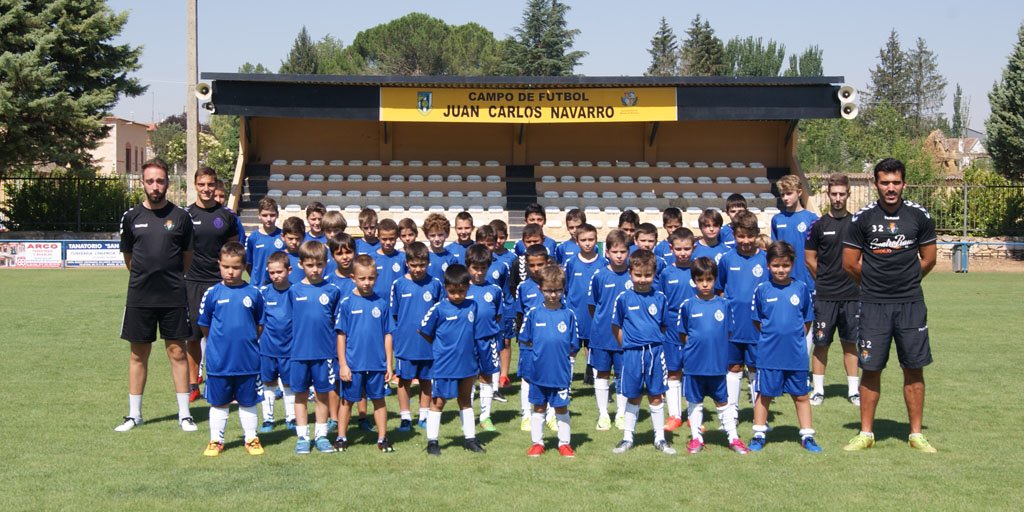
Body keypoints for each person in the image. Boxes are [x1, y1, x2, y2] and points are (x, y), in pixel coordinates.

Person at [842, 157, 938, 453]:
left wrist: (906, 281)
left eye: (896, 182)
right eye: (885, 182)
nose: (891, 188)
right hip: (873, 305)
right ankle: (866, 433)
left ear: (904, 184)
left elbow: (929, 258)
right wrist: (875, 285)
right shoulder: (862, 219)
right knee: (870, 368)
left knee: (914, 367)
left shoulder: (919, 217)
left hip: (910, 304)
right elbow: (850, 263)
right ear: (876, 184)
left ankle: (916, 434)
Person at [115, 158, 197, 433]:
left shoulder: (182, 217)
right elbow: (129, 258)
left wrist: (168, 278)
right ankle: (134, 414)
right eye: (150, 181)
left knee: (177, 352)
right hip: (140, 296)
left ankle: (185, 414)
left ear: (167, 183)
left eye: (160, 180)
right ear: (142, 183)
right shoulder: (131, 218)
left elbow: (186, 258)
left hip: (174, 295)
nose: (155, 186)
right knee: (138, 354)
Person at [749, 241, 820, 453]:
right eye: (776, 265)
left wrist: (794, 338)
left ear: (792, 265)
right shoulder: (762, 290)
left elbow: (806, 322)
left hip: (796, 354)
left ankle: (807, 435)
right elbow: (757, 320)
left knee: (801, 395)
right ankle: (759, 433)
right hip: (769, 354)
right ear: (768, 265)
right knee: (765, 394)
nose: (781, 270)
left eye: (786, 265)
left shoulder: (801, 288)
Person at [198, 242, 266, 456]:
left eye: (235, 267)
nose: (230, 271)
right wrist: (219, 344)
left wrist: (246, 341)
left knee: (248, 401)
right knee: (219, 403)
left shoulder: (254, 293)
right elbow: (204, 325)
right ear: (219, 265)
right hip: (220, 361)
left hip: (247, 361)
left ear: (243, 266)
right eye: (226, 266)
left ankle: (251, 438)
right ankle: (216, 440)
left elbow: (260, 325)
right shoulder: (212, 293)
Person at [677, 256, 749, 455]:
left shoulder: (724, 305)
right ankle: (696, 439)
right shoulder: (688, 305)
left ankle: (733, 437)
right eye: (700, 280)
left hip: (717, 365)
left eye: (709, 280)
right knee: (694, 402)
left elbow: (727, 332)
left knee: (723, 402)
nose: (705, 284)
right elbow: (683, 335)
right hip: (694, 366)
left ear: (716, 279)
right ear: (694, 281)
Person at [610, 250, 676, 455]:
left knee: (656, 395)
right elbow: (616, 326)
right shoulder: (623, 298)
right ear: (630, 273)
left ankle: (660, 438)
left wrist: (652, 341)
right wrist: (629, 344)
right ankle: (628, 438)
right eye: (638, 275)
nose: (642, 279)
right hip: (631, 354)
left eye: (647, 275)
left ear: (654, 274)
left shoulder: (660, 298)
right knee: (633, 396)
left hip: (655, 353)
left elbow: (664, 326)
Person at [185, 167, 240, 402]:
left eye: (210, 184)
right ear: (195, 185)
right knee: (193, 335)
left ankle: (226, 382)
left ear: (215, 185)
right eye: (201, 184)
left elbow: (233, 250)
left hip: (220, 284)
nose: (206, 189)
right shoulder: (185, 215)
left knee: (224, 335)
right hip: (193, 282)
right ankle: (193, 384)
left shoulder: (226, 216)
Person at [805, 173, 861, 406]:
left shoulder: (858, 224)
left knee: (851, 343)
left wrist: (855, 280)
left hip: (852, 295)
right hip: (825, 296)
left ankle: (853, 390)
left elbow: (864, 257)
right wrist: (826, 280)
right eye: (834, 194)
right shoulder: (818, 225)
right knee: (821, 343)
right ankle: (818, 390)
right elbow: (809, 258)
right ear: (828, 194)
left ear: (848, 194)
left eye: (842, 194)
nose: (838, 198)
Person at [419, 264, 487, 456]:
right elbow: (424, 330)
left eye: (461, 291)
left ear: (468, 287)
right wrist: (442, 347)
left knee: (465, 400)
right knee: (438, 402)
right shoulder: (439, 308)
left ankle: (470, 439)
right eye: (452, 292)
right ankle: (432, 441)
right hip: (444, 365)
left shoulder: (472, 305)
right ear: (445, 287)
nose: (457, 296)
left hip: (467, 364)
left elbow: (476, 333)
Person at [334, 255, 396, 452]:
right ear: (353, 278)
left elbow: (387, 334)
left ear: (376, 277)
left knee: (379, 400)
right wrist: (343, 364)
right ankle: (342, 437)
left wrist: (388, 364)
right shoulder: (346, 303)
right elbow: (341, 336)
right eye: (362, 278)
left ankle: (382, 438)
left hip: (377, 363)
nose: (367, 282)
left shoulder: (382, 304)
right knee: (347, 401)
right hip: (353, 363)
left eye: (371, 278)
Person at [288, 240, 344, 454]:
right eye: (310, 265)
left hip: (324, 354)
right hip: (299, 353)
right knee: (300, 395)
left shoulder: (332, 291)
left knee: (323, 395)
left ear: (326, 264)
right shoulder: (294, 291)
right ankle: (302, 436)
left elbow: (337, 325)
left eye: (319, 265)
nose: (315, 269)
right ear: (301, 264)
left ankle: (321, 435)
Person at [519, 264, 579, 458]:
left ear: (563, 289)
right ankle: (537, 443)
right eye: (548, 290)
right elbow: (526, 341)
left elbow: (573, 345)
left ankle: (564, 443)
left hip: (560, 372)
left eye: (557, 290)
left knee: (561, 407)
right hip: (538, 372)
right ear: (540, 289)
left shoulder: (568, 315)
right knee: (538, 407)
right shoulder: (533, 314)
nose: (553, 295)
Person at [716, 211, 769, 409]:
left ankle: (758, 412)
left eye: (750, 236)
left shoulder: (766, 260)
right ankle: (732, 411)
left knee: (756, 368)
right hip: (733, 326)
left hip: (758, 327)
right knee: (733, 367)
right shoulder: (727, 259)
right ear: (734, 234)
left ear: (757, 233)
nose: (745, 240)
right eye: (741, 236)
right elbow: (719, 290)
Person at [390, 241, 443, 432]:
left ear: (428, 263)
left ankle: (424, 415)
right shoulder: (398, 284)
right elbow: (394, 315)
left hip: (429, 344)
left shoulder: (436, 284)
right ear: (407, 263)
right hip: (406, 343)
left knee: (426, 379)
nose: (418, 269)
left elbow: (440, 313)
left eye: (422, 265)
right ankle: (405, 417)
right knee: (404, 380)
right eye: (414, 265)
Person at [588, 229, 632, 431]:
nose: (620, 255)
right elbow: (593, 305)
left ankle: (622, 414)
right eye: (615, 251)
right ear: (607, 252)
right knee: (602, 374)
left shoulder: (634, 275)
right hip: (602, 335)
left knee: (623, 375)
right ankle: (604, 414)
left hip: (626, 336)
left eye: (623, 251)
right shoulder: (600, 276)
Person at [654, 227, 698, 431]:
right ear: (671, 248)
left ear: (694, 247)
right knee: (673, 371)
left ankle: (693, 415)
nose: (683, 253)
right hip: (671, 327)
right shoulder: (666, 273)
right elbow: (661, 301)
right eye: (678, 249)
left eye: (687, 248)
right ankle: (674, 415)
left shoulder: (699, 271)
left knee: (693, 370)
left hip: (696, 326)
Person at [465, 244, 504, 432]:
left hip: (488, 341)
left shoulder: (494, 290)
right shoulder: (462, 289)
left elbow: (497, 315)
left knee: (486, 377)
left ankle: (485, 416)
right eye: (475, 268)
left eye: (483, 268)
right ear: (467, 267)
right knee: (469, 378)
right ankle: (468, 413)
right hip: (467, 342)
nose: (479, 272)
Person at [257, 251, 296, 433]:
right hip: (268, 348)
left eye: (279, 272)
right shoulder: (264, 293)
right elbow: (258, 320)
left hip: (289, 348)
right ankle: (268, 419)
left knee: (288, 384)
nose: (275, 276)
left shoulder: (295, 292)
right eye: (272, 273)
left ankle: (291, 417)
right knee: (268, 383)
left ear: (289, 270)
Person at [562, 222, 605, 385]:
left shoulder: (603, 263)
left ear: (596, 240)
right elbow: (565, 287)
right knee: (571, 349)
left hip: (595, 315)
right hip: (575, 313)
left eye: (591, 239)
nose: (587, 243)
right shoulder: (571, 263)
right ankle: (566, 384)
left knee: (593, 349)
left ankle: (597, 384)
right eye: (584, 240)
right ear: (577, 241)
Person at [513, 243, 550, 431]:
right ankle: (526, 414)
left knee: (550, 374)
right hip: (529, 341)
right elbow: (520, 314)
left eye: (540, 264)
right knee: (528, 377)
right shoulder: (523, 287)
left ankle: (550, 414)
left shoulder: (556, 285)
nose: (536, 269)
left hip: (550, 341)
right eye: (532, 265)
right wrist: (522, 337)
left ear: (547, 263)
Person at [771, 175, 818, 295]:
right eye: (782, 194)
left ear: (799, 192)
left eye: (789, 193)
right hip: (784, 279)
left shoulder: (812, 218)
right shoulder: (777, 220)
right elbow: (774, 251)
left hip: (807, 279)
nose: (785, 198)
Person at [489, 219, 517, 389]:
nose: (498, 242)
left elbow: (512, 286)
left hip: (506, 307)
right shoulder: (482, 258)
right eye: (495, 238)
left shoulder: (512, 258)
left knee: (506, 342)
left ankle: (504, 375)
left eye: (502, 238)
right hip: (489, 308)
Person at [245, 197, 283, 286]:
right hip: (258, 286)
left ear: (277, 215)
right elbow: (248, 264)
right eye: (265, 215)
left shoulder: (283, 236)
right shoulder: (253, 238)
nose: (269, 219)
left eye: (272, 215)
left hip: (278, 287)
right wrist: (256, 279)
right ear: (259, 215)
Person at [371, 218, 406, 298]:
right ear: (378, 237)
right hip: (376, 303)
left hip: (397, 303)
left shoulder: (403, 258)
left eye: (391, 239)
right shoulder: (371, 258)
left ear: (397, 237)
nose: (388, 242)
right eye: (384, 239)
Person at [423, 213, 456, 282]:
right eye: (432, 235)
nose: (437, 239)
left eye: (440, 235)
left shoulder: (451, 259)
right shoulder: (421, 255)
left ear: (447, 234)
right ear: (427, 235)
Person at [213, 178, 246, 246]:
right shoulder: (199, 214)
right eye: (215, 196)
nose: (218, 200)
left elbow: (241, 240)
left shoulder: (231, 216)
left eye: (221, 196)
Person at [281, 217, 307, 284]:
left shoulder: (307, 256)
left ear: (303, 237)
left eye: (297, 238)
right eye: (290, 238)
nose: (294, 242)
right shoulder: (278, 257)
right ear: (283, 237)